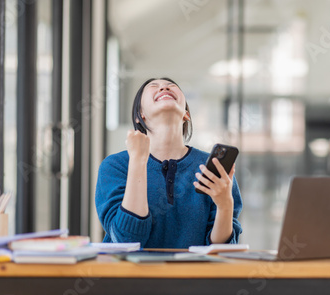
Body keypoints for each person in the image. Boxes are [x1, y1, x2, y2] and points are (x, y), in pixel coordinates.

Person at [95, 77, 243, 248]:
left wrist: (225, 205)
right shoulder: (115, 166)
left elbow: (220, 249)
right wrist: (137, 161)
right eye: (154, 86)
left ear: (186, 113)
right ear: (139, 115)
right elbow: (127, 242)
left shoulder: (211, 168)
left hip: (192, 274)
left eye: (171, 86)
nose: (164, 88)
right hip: (131, 274)